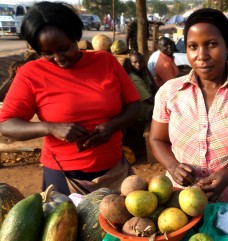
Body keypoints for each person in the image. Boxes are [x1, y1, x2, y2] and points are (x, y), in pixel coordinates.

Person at [0, 1, 140, 195]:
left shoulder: (106, 62)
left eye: (64, 48)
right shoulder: (30, 74)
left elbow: (134, 105)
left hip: (115, 170)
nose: (59, 58)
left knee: (120, 224)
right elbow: (6, 124)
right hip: (63, 177)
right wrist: (50, 127)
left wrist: (112, 126)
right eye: (47, 53)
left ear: (75, 37)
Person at [149, 8, 228, 210]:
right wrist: (173, 166)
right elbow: (157, 139)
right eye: (193, 46)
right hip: (178, 204)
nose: (202, 55)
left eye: (211, 44)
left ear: (227, 45)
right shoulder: (169, 92)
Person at [124, 51, 158, 122]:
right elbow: (150, 100)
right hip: (142, 110)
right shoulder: (134, 78)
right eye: (135, 62)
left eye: (141, 62)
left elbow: (153, 87)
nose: (138, 64)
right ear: (130, 63)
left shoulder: (142, 74)